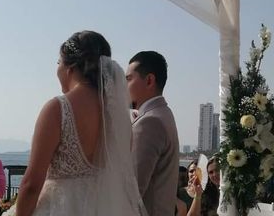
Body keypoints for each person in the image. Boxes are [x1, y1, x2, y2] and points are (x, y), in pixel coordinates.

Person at [12, 30, 146, 216]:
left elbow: (32, 184)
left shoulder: (57, 108)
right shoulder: (119, 117)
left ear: (70, 68)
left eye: (58, 62)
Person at [127, 51, 180, 216]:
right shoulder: (163, 113)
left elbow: (131, 190)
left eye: (128, 79)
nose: (123, 86)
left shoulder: (150, 122)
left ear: (149, 80)